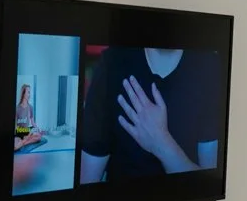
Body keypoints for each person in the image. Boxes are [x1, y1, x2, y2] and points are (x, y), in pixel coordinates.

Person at [79, 47, 222, 183]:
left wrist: (161, 142)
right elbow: (87, 183)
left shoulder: (210, 67)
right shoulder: (112, 62)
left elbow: (211, 185)